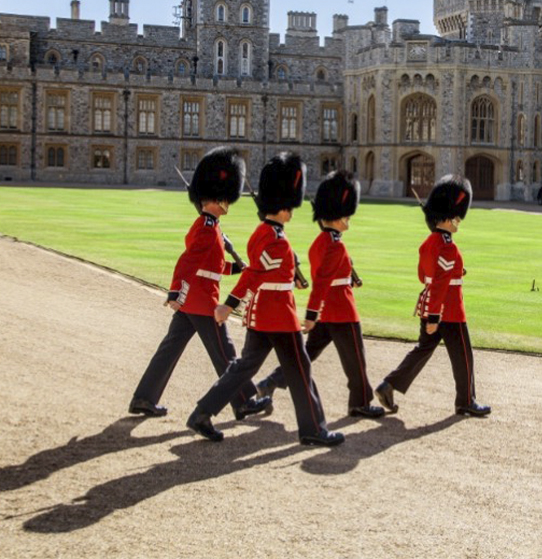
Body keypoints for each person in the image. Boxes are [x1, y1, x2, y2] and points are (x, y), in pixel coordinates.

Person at [186, 152, 343, 446]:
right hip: (278, 316)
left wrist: (290, 277)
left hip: (262, 315)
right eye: (290, 207)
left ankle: (202, 413)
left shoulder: (266, 233)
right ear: (284, 207)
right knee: (300, 369)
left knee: (244, 368)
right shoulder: (275, 238)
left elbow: (267, 271)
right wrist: (228, 305)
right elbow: (254, 273)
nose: (292, 212)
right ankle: (313, 429)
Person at [129, 146, 271, 421]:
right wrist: (176, 292)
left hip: (193, 301)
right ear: (219, 198)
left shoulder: (210, 226)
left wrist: (236, 268)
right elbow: (188, 263)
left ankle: (144, 398)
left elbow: (210, 266)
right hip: (202, 301)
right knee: (226, 352)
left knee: (168, 350)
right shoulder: (207, 229)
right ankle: (243, 401)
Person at [255, 170, 384, 419]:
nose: (348, 218)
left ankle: (271, 382)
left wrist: (347, 280)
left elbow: (328, 276)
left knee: (306, 356)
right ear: (335, 216)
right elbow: (323, 282)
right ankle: (360, 403)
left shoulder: (320, 242)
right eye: (345, 214)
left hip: (327, 312)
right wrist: (311, 313)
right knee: (356, 362)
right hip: (342, 311)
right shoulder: (335, 244)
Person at [374, 175, 491, 417]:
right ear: (447, 219)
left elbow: (424, 275)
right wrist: (434, 318)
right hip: (448, 311)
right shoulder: (448, 246)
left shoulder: (428, 243)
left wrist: (431, 313)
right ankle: (466, 401)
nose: (459, 221)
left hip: (430, 307)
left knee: (422, 350)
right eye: (456, 217)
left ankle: (389, 384)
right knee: (463, 357)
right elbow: (439, 283)